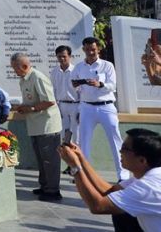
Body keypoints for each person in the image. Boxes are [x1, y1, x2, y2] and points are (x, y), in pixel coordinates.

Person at [58, 128, 161, 232]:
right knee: (119, 207)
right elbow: (111, 190)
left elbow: (98, 206)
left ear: (142, 160)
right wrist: (81, 159)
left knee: (117, 208)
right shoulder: (150, 175)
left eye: (125, 149)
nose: (120, 151)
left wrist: (75, 167)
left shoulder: (149, 186)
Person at [72, 36, 128, 181]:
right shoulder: (78, 67)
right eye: (88, 49)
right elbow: (74, 85)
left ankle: (123, 176)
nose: (90, 52)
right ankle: (86, 175)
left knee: (115, 140)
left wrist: (100, 85)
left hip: (106, 106)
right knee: (84, 141)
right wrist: (79, 87)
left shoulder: (107, 65)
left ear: (98, 49)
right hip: (86, 107)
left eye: (93, 49)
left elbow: (113, 86)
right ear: (83, 49)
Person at [11, 53, 64, 202]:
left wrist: (32, 109)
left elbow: (49, 101)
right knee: (41, 159)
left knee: (50, 160)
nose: (14, 71)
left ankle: (53, 190)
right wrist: (22, 107)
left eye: (16, 68)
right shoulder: (24, 79)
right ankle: (45, 186)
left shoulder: (38, 77)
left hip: (47, 125)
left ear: (25, 66)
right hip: (35, 125)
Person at [50, 45, 80, 146]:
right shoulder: (54, 72)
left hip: (75, 105)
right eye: (59, 56)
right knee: (64, 135)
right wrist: (56, 107)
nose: (62, 59)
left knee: (77, 134)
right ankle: (68, 157)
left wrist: (81, 109)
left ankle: (78, 158)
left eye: (64, 56)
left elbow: (82, 91)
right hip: (61, 106)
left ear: (69, 56)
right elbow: (53, 90)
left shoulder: (76, 71)